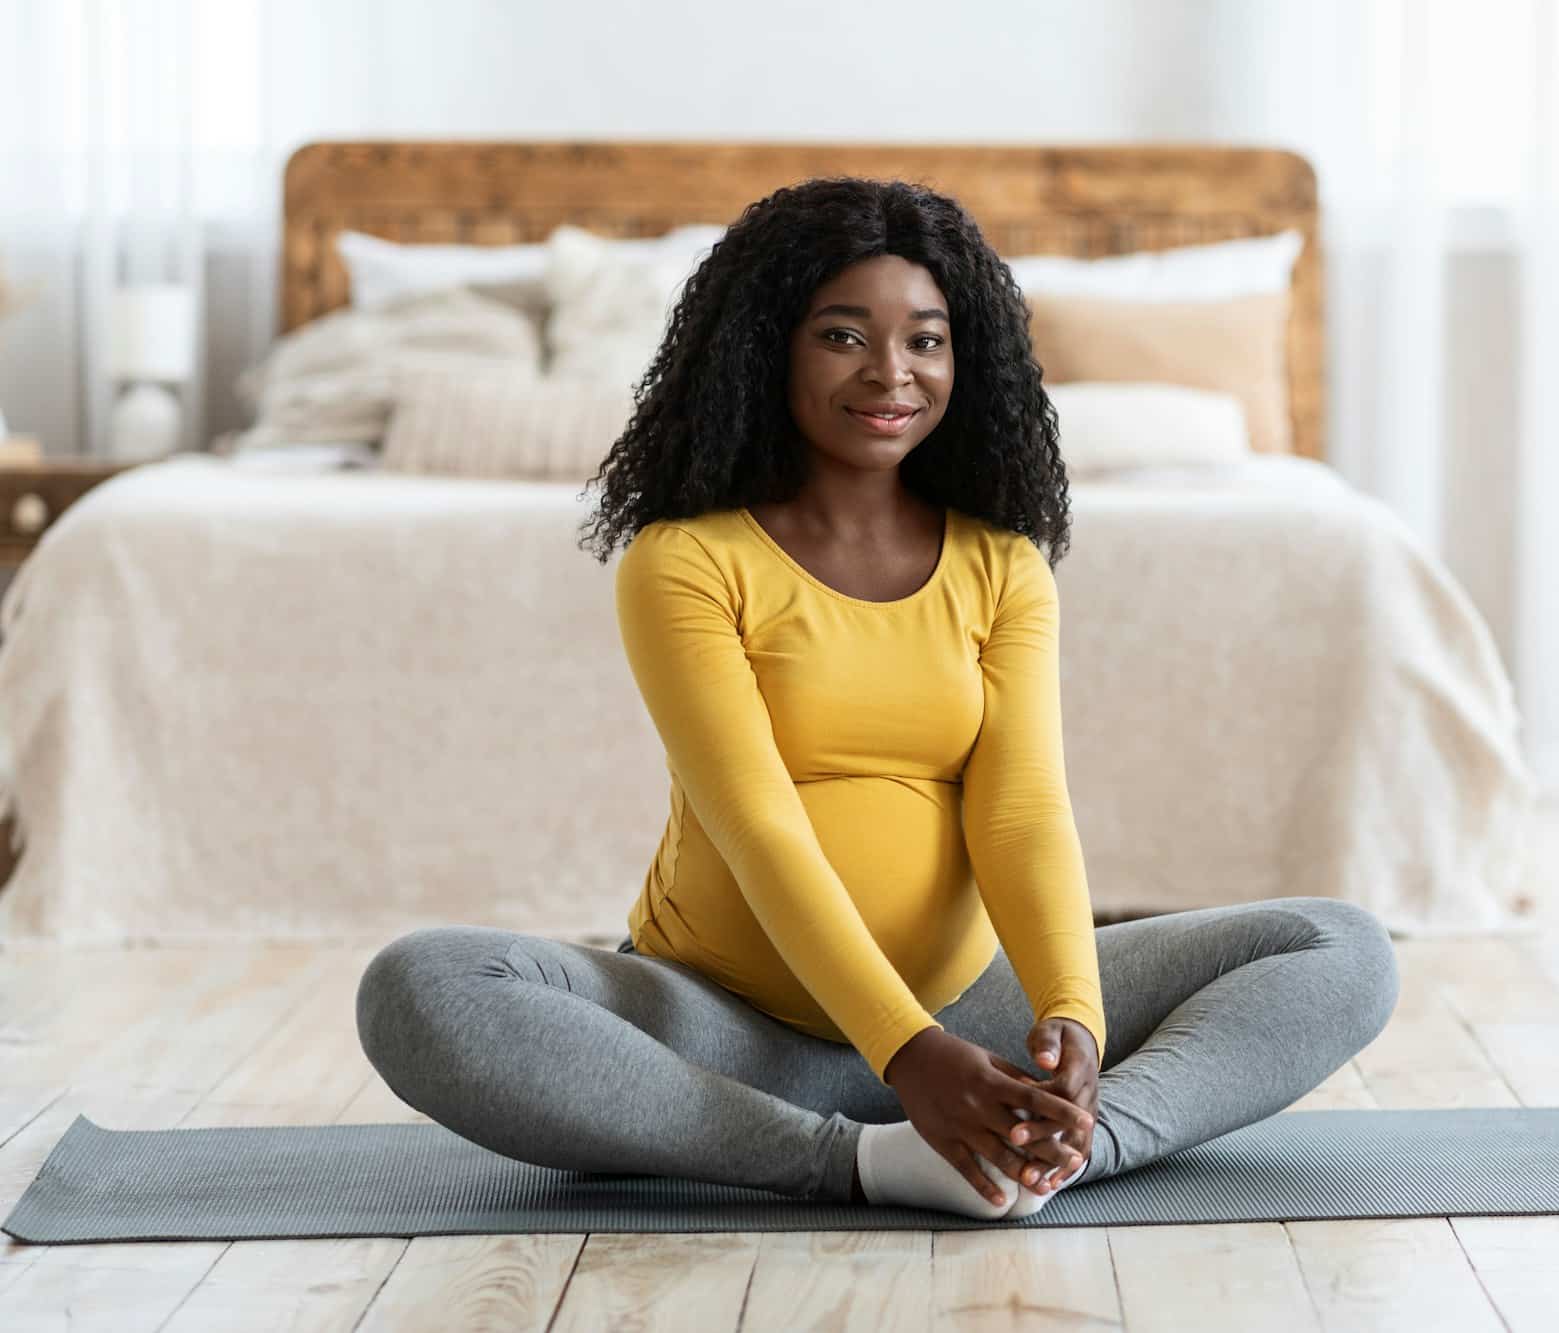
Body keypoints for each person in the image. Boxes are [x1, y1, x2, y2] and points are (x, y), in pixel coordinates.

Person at [354, 176, 1401, 1221]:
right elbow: (756, 822)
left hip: (970, 1015)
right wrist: (906, 1052)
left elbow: (1022, 811)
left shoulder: (1003, 564)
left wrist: (1070, 1022)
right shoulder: (684, 560)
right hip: (727, 1025)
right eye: (843, 336)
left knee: (1336, 948)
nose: (891, 373)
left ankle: (1053, 1152)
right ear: (768, 346)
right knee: (423, 987)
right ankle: (860, 1160)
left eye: (926, 340)